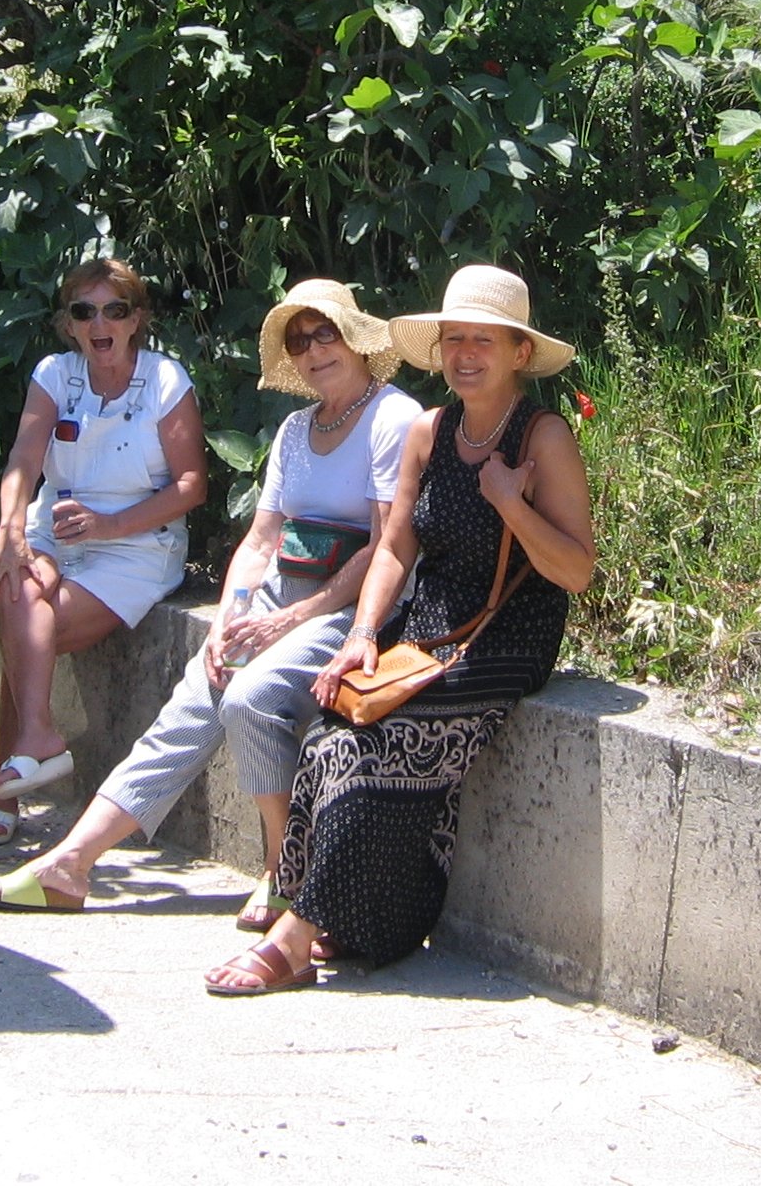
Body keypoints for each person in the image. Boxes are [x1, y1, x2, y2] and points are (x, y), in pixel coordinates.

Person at [203, 265, 596, 996]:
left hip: (503, 637)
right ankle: (361, 921)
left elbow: (575, 570)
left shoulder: (543, 436)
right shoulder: (429, 430)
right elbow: (391, 547)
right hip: (425, 630)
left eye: (484, 339)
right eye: (453, 339)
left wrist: (511, 504)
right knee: (331, 730)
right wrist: (360, 634)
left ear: (517, 351)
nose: (465, 353)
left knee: (382, 743)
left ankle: (292, 937)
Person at [0, 279, 424, 915]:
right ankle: (71, 864)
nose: (314, 349)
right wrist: (229, 618)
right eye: (300, 339)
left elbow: (385, 547)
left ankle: (279, 869)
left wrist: (295, 616)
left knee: (247, 697)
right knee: (191, 702)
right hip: (280, 593)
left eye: (325, 333)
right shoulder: (297, 429)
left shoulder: (394, 418)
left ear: (354, 339)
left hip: (352, 605)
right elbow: (262, 538)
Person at [0, 257, 210, 845]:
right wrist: (10, 531)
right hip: (54, 527)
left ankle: (6, 782)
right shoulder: (55, 374)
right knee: (13, 584)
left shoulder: (165, 380)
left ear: (136, 321)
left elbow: (191, 486)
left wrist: (109, 525)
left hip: (137, 543)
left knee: (27, 624)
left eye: (114, 309)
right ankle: (36, 740)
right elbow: (24, 462)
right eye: (84, 311)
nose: (99, 323)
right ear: (69, 324)